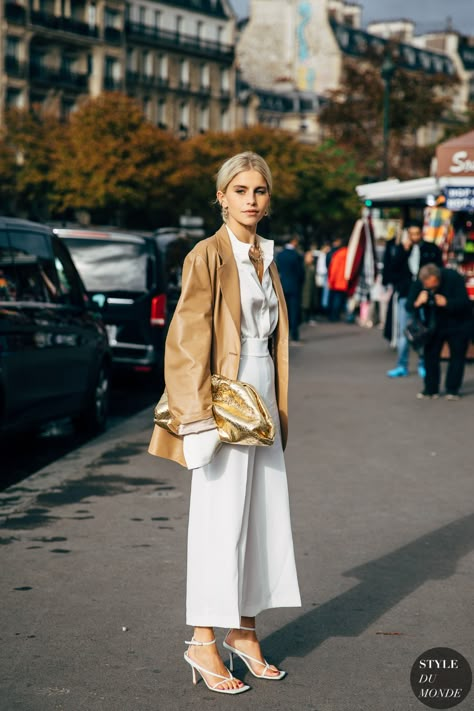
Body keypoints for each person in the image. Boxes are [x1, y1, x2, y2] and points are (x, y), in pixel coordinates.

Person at [148, 152, 302, 695]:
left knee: (262, 518)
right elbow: (186, 342)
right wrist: (194, 420)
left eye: (259, 190)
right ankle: (202, 639)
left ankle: (245, 629)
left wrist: (280, 411)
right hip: (222, 402)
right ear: (221, 197)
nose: (251, 200)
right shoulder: (207, 255)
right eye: (240, 191)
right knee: (221, 522)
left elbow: (273, 338)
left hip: (262, 400)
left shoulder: (266, 254)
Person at [384, 222, 442, 378]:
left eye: (417, 233)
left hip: (425, 296)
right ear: (408, 235)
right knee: (405, 331)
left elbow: (438, 270)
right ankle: (401, 365)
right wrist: (403, 251)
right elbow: (391, 270)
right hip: (406, 295)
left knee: (424, 331)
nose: (415, 237)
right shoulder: (401, 250)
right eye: (412, 234)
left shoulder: (430, 249)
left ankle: (423, 363)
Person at [407, 263, 472, 400]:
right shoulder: (420, 284)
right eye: (427, 286)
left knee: (457, 357)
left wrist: (447, 302)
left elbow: (465, 303)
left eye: (433, 285)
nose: (431, 288)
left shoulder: (453, 278)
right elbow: (409, 305)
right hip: (433, 326)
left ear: (438, 278)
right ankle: (431, 389)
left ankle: (452, 389)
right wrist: (417, 302)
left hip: (458, 324)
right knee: (430, 356)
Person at [275, 234, 305, 342]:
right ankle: (294, 334)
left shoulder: (280, 254)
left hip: (282, 284)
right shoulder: (296, 255)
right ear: (294, 241)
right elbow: (300, 272)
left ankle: (283, 334)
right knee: (294, 310)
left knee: (283, 311)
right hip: (294, 285)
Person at [327, 242, 348, 322]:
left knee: (335, 299)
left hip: (337, 281)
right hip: (344, 281)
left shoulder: (338, 254)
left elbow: (334, 269)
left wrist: (330, 281)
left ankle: (333, 316)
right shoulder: (349, 254)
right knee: (340, 299)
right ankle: (337, 315)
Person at [301, 248, 317, 324]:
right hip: (305, 287)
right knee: (305, 303)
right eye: (311, 257)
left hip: (311, 287)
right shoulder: (303, 265)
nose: (312, 258)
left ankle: (308, 318)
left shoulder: (312, 266)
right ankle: (304, 318)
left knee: (310, 302)